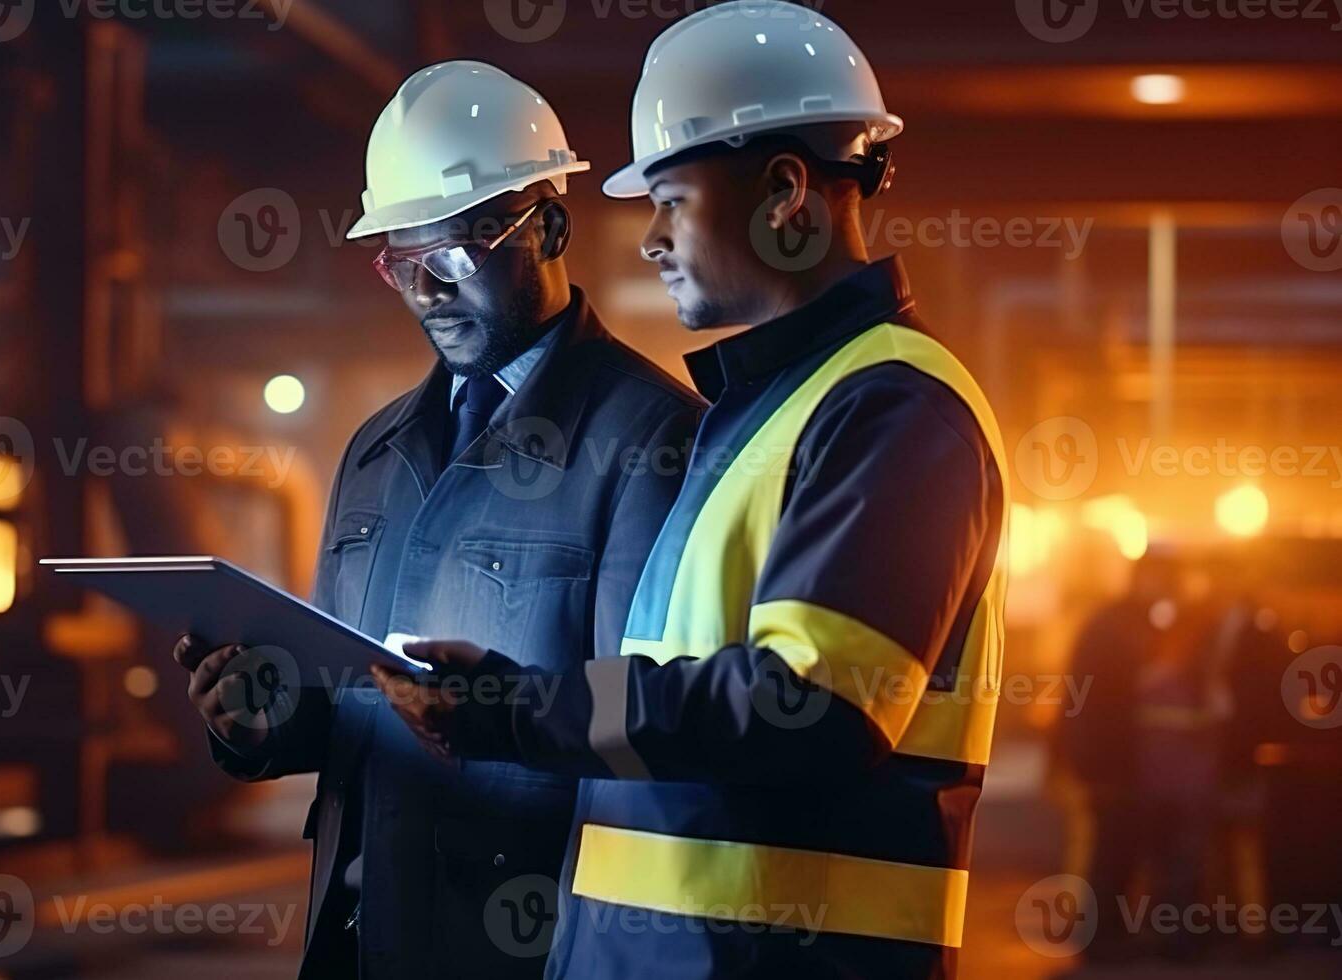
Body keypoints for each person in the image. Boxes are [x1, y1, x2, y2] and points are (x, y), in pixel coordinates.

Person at [370, 6, 1007, 977]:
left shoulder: (895, 408)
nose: (652, 241)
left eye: (671, 200)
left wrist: (513, 705)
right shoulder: (760, 414)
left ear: (786, 192)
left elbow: (813, 708)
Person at [174, 60, 702, 980]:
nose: (427, 290)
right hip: (358, 938)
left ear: (548, 226)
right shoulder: (377, 454)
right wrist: (258, 717)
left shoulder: (651, 441)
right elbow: (346, 711)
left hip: (523, 943)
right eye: (400, 263)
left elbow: (650, 727)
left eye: (454, 254)